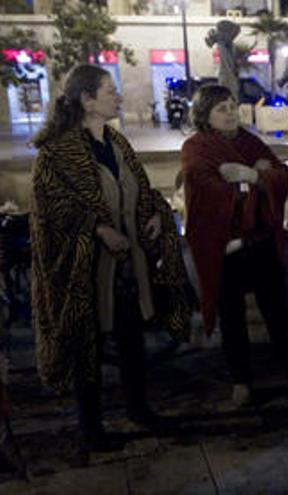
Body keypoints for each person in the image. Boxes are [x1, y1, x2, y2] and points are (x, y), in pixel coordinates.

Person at [30, 65, 191, 453]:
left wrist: (153, 213)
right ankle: (91, 427)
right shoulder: (57, 152)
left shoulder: (117, 142)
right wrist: (99, 230)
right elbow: (51, 209)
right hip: (85, 271)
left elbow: (141, 188)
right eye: (108, 91)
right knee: (87, 346)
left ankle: (139, 409)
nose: (117, 96)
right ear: (87, 100)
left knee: (131, 339)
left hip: (127, 264)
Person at [182, 84, 288, 406]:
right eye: (222, 108)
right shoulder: (196, 148)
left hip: (259, 242)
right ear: (205, 115)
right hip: (225, 247)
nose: (231, 112)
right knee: (231, 318)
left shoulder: (250, 141)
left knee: (278, 311)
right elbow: (206, 190)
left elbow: (280, 175)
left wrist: (250, 176)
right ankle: (241, 383)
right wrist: (254, 182)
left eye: (233, 105)